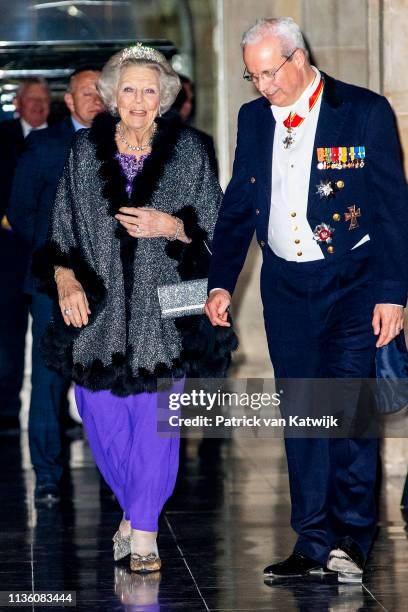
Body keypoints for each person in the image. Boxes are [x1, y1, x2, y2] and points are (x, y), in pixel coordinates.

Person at [205, 17, 408, 584]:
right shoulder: (252, 118)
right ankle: (312, 538)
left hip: (353, 284)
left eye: (271, 73)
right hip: (286, 287)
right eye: (253, 76)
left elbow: (392, 210)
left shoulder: (363, 110)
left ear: (298, 58)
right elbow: (238, 205)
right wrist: (220, 280)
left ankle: (350, 537)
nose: (264, 86)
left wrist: (393, 294)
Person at [33, 43, 236, 573]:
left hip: (166, 312)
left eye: (150, 89)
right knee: (102, 423)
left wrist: (173, 227)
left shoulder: (190, 151)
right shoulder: (83, 153)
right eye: (129, 89)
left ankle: (143, 533)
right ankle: (133, 510)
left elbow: (218, 231)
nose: (140, 99)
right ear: (111, 96)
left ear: (165, 97)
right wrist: (63, 277)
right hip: (98, 314)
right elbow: (60, 230)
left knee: (156, 428)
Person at [7, 67, 104, 503]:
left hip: (108, 289)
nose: (96, 99)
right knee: (49, 379)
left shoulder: (123, 142)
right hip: (52, 286)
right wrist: (56, 262)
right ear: (69, 100)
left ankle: (112, 471)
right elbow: (22, 213)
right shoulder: (45, 145)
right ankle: (46, 474)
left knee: (105, 379)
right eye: (88, 92)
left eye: (103, 91)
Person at [0, 78, 51, 430]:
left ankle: (56, 415)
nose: (38, 106)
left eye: (44, 100)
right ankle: (5, 410)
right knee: (7, 335)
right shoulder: (1, 137)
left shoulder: (65, 137)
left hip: (52, 255)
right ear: (17, 104)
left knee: (54, 336)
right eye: (31, 100)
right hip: (7, 256)